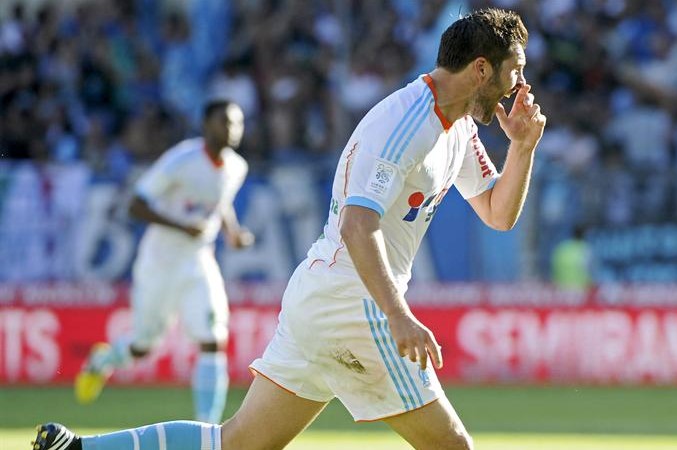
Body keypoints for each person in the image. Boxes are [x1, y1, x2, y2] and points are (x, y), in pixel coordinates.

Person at [34, 8, 545, 450]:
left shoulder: (459, 128)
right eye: (515, 71)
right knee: (454, 447)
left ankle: (78, 448)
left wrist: (522, 147)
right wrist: (398, 315)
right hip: (355, 304)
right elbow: (358, 225)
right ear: (481, 69)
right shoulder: (405, 122)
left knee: (237, 442)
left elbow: (497, 214)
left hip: (321, 297)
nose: (520, 86)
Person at [72, 100, 253, 425]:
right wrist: (182, 226)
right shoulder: (181, 160)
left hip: (199, 261)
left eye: (237, 123)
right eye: (225, 122)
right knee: (143, 346)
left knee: (213, 339)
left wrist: (233, 232)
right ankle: (103, 361)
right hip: (160, 261)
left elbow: (220, 202)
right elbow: (136, 205)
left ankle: (208, 429)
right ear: (206, 124)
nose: (233, 129)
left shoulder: (237, 167)